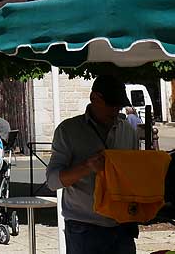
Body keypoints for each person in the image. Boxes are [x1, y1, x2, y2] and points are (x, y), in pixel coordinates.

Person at [46, 74, 141, 254]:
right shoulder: (68, 130)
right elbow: (52, 181)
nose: (115, 110)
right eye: (111, 105)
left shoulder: (128, 130)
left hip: (122, 226)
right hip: (85, 228)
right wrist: (86, 167)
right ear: (94, 98)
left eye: (119, 106)